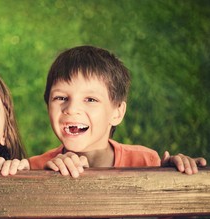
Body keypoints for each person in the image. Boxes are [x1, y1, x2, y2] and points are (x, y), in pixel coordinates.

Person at [28, 45, 206, 177]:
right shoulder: (36, 168)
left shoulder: (145, 162)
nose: (72, 108)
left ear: (117, 113)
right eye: (61, 98)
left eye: (90, 99)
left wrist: (172, 175)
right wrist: (46, 181)